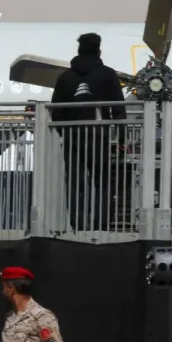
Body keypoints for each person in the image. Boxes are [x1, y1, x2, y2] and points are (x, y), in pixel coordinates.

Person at [49, 32, 126, 229]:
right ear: (99, 51)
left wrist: (65, 133)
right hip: (99, 137)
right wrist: (121, 139)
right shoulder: (107, 75)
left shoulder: (65, 77)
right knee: (103, 183)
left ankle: (77, 226)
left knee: (75, 184)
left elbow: (55, 111)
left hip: (73, 139)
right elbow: (119, 110)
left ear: (79, 51)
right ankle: (102, 225)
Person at [0, 266, 69, 342]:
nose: (2, 291)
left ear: (11, 288)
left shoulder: (41, 316)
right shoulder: (10, 318)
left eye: (4, 287)